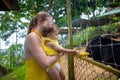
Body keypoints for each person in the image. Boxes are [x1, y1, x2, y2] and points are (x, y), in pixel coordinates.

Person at [24, 11, 64, 80]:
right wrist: (59, 54)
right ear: (39, 22)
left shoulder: (42, 38)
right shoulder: (32, 36)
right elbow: (45, 63)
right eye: (49, 23)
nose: (51, 26)